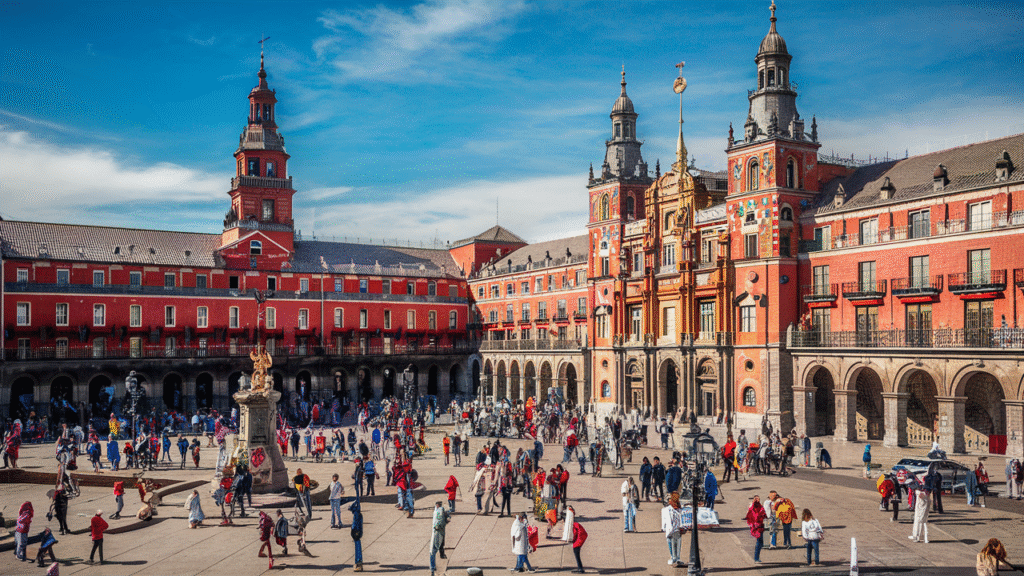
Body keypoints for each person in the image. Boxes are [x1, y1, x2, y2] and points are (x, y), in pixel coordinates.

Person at [661, 492, 684, 567]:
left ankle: (675, 558)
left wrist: (663, 528)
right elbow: (664, 519)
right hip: (674, 529)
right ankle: (675, 558)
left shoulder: (675, 509)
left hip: (674, 529)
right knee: (674, 543)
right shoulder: (669, 509)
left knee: (673, 543)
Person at [746, 495, 768, 563]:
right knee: (759, 541)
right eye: (756, 499)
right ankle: (756, 558)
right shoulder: (751, 506)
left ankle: (757, 557)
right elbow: (749, 514)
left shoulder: (761, 507)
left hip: (760, 525)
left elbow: (764, 514)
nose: (757, 500)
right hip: (755, 526)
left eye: (758, 499)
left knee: (761, 542)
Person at [350, 499, 364, 572]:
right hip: (357, 530)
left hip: (357, 531)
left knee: (357, 542)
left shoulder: (357, 514)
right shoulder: (358, 515)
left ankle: (358, 562)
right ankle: (358, 562)